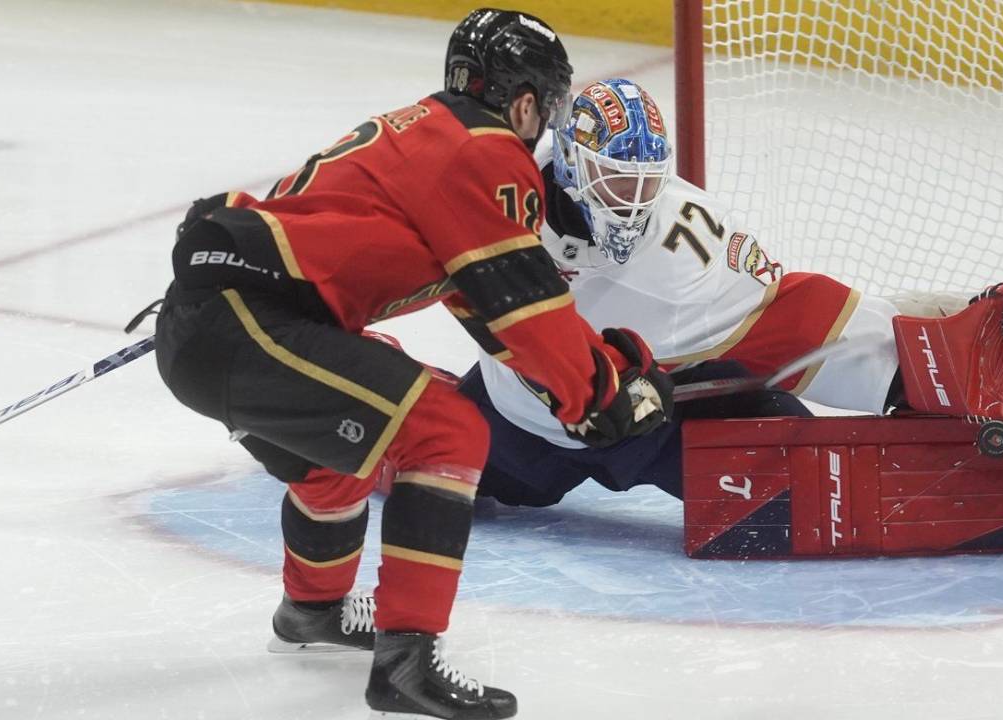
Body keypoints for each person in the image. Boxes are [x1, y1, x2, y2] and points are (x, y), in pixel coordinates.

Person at [152, 14, 671, 720]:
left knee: (343, 453)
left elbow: (492, 309)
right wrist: (601, 394)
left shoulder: (425, 135)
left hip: (226, 324)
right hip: (244, 324)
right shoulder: (484, 152)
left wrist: (593, 375)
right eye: (547, 108)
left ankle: (312, 610)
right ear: (524, 103)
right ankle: (405, 662)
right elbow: (527, 311)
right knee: (447, 430)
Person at [458, 77, 1003, 558]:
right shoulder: (499, 201)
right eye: (617, 183)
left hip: (656, 417)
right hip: (520, 417)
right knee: (431, 459)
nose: (632, 204)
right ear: (573, 165)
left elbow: (788, 318)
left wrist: (921, 362)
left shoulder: (682, 242)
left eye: (646, 184)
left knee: (802, 481)